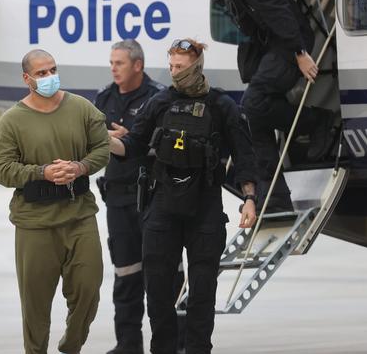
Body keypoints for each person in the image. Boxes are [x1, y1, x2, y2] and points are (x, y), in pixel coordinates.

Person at [108, 39, 258, 354]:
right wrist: (104, 140)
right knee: (159, 292)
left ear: (197, 66)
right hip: (162, 207)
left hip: (205, 206)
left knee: (203, 292)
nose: (175, 73)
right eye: (172, 66)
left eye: (181, 67)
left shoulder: (221, 106)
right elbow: (133, 145)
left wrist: (249, 198)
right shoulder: (160, 103)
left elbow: (244, 156)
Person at [0, 49, 109, 354]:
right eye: (42, 73)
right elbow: (2, 169)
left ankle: (72, 343)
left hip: (80, 214)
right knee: (36, 304)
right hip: (35, 223)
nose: (49, 77)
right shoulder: (12, 121)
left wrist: (80, 167)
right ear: (26, 78)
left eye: (52, 70)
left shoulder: (82, 109)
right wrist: (42, 172)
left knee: (88, 287)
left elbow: (102, 149)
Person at [94, 39, 186, 354]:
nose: (113, 68)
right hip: (118, 200)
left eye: (119, 63)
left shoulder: (158, 98)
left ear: (137, 65)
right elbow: (93, 143)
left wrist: (132, 140)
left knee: (165, 276)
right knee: (126, 274)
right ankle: (128, 344)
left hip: (153, 199)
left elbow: (170, 145)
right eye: (111, 63)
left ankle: (176, 344)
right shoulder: (103, 98)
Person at [212, 0, 335, 212]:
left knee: (253, 103)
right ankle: (274, 196)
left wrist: (299, 52)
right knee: (255, 116)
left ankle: (317, 121)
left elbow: (276, 8)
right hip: (268, 44)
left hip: (289, 40)